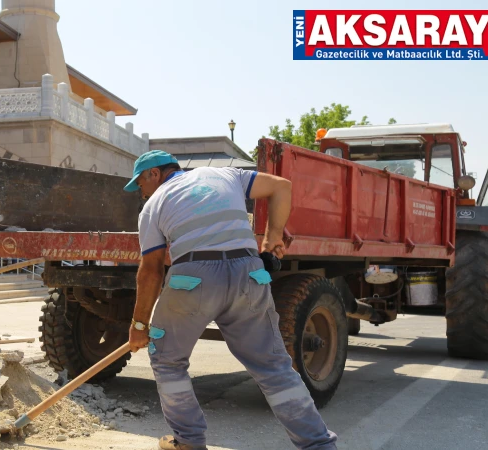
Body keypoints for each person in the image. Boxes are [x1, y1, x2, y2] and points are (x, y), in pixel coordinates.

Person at [124, 150, 337, 450]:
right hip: (249, 273)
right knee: (274, 367)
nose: (141, 192)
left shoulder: (153, 206)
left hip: (193, 280)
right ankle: (318, 445)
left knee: (168, 361)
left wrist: (139, 325)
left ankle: (187, 442)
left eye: (141, 184)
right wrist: (271, 239)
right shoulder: (226, 174)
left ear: (154, 174)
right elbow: (281, 186)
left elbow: (151, 271)